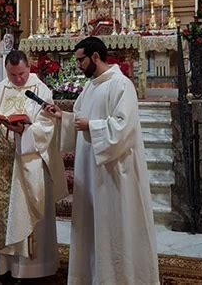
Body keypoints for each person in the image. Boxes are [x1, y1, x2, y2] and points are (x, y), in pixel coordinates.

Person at [43, 37, 159, 285]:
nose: (78, 66)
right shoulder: (92, 87)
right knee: (92, 227)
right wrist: (62, 116)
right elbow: (80, 121)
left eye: (80, 60)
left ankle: (118, 278)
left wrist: (91, 126)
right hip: (91, 170)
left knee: (113, 226)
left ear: (95, 57)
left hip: (113, 172)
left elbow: (122, 128)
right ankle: (91, 276)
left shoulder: (121, 85)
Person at [0, 50, 67, 280]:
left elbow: (47, 126)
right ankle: (4, 266)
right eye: (12, 74)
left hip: (28, 163)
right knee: (1, 212)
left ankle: (31, 269)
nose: (17, 79)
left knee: (26, 213)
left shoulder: (40, 90)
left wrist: (24, 131)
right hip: (1, 163)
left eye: (21, 74)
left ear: (29, 68)